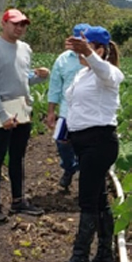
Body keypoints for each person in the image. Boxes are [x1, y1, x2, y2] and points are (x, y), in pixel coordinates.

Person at [48, 26, 124, 262]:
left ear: (100, 49)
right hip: (83, 142)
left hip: (99, 142)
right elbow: (76, 105)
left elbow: (105, 71)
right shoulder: (82, 74)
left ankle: (79, 258)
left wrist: (90, 54)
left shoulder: (109, 73)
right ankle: (104, 254)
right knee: (99, 198)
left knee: (87, 201)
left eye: (88, 46)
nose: (80, 52)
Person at [0, 9, 49, 221]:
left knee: (18, 157)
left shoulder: (25, 48)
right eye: (15, 24)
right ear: (4, 23)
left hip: (22, 107)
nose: (19, 28)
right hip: (2, 107)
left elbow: (22, 79)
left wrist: (39, 78)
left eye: (23, 25)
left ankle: (18, 201)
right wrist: (1, 114)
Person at [46, 23, 90, 190]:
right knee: (62, 142)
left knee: (86, 146)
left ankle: (86, 179)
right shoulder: (63, 59)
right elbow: (55, 86)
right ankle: (70, 168)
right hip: (66, 111)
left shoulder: (95, 59)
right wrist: (51, 111)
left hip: (88, 113)